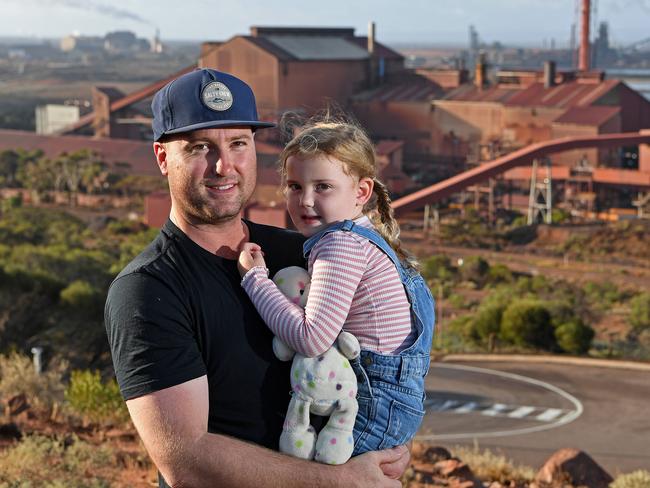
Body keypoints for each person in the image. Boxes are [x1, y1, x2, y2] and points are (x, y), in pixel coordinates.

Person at [104, 68, 410, 488]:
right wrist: (339, 482)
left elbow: (379, 349)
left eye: (238, 144)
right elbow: (187, 461)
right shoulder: (148, 290)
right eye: (199, 148)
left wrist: (390, 437)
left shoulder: (301, 250)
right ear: (162, 158)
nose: (223, 166)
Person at [238, 120, 435, 457]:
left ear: (361, 192)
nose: (306, 200)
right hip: (390, 399)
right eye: (296, 186)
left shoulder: (339, 245)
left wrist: (255, 279)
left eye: (323, 187)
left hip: (368, 399)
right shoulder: (365, 237)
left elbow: (311, 338)